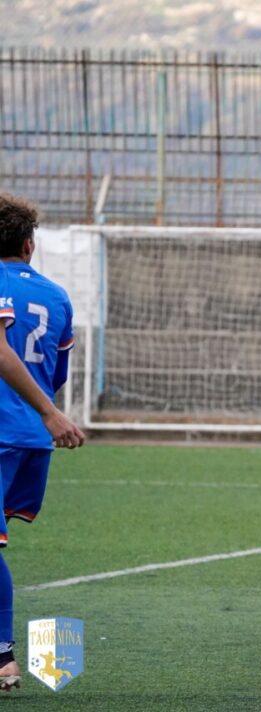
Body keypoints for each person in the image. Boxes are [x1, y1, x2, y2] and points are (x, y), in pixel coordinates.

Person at [0, 193, 85, 692]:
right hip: (30, 438)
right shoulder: (56, 296)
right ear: (30, 245)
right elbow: (55, 374)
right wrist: (45, 412)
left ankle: (4, 658)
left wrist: (51, 413)